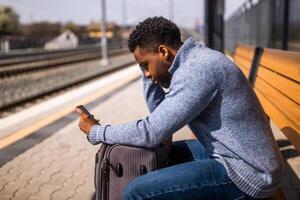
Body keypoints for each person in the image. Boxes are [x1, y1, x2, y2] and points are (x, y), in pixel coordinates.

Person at [77, 16, 284, 200]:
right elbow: (159, 119)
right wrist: (150, 73)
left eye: (145, 65)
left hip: (247, 171)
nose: (146, 74)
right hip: (234, 152)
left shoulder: (198, 70)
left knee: (135, 192)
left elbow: (150, 132)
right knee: (153, 156)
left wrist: (96, 132)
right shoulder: (192, 60)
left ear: (164, 52)